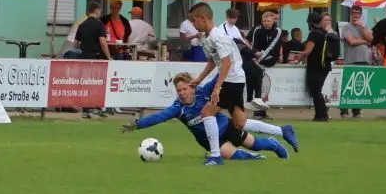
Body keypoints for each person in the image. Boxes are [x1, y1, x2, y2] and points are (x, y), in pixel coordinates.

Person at [188, 2, 300, 152]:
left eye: (193, 20)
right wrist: (199, 79)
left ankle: (215, 155)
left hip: (231, 80)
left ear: (203, 18)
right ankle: (283, 131)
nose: (193, 24)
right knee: (240, 122)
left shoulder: (217, 37)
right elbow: (213, 61)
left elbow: (226, 63)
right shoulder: (210, 38)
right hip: (235, 80)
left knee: (207, 113)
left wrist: (217, 88)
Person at [121, 72, 287, 165]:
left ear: (192, 88)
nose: (182, 93)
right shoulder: (178, 108)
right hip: (209, 141)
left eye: (185, 89)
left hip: (225, 126)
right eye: (179, 91)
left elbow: (219, 75)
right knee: (231, 155)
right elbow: (158, 117)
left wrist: (225, 60)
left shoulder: (204, 92)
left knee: (255, 144)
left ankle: (273, 144)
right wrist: (138, 124)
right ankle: (255, 158)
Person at [71, 1, 110, 119]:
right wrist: (108, 57)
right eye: (100, 12)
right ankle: (95, 108)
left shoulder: (82, 25)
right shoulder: (99, 25)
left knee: (85, 83)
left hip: (84, 56)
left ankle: (86, 109)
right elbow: (103, 42)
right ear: (97, 11)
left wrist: (85, 46)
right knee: (96, 83)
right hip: (95, 57)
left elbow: (75, 44)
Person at [302, 12, 340, 122]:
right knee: (317, 90)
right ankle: (322, 113)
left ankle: (321, 115)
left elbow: (308, 51)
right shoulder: (327, 34)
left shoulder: (314, 34)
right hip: (326, 65)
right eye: (325, 20)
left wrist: (298, 58)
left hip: (315, 65)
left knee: (316, 91)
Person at [247, 8, 285, 114]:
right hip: (258, 57)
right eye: (264, 21)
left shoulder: (278, 31)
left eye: (268, 21)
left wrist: (258, 59)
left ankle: (257, 104)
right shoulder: (257, 29)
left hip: (271, 57)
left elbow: (271, 47)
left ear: (273, 21)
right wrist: (254, 56)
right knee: (254, 74)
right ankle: (253, 102)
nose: (266, 23)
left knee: (257, 72)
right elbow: (253, 45)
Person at [339, 8, 373, 118]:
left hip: (364, 59)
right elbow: (352, 41)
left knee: (360, 86)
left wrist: (363, 27)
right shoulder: (346, 27)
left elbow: (370, 38)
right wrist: (365, 41)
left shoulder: (364, 27)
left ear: (361, 15)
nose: (355, 15)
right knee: (348, 86)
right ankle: (344, 111)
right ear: (350, 14)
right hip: (351, 59)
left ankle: (357, 111)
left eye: (358, 13)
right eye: (353, 13)